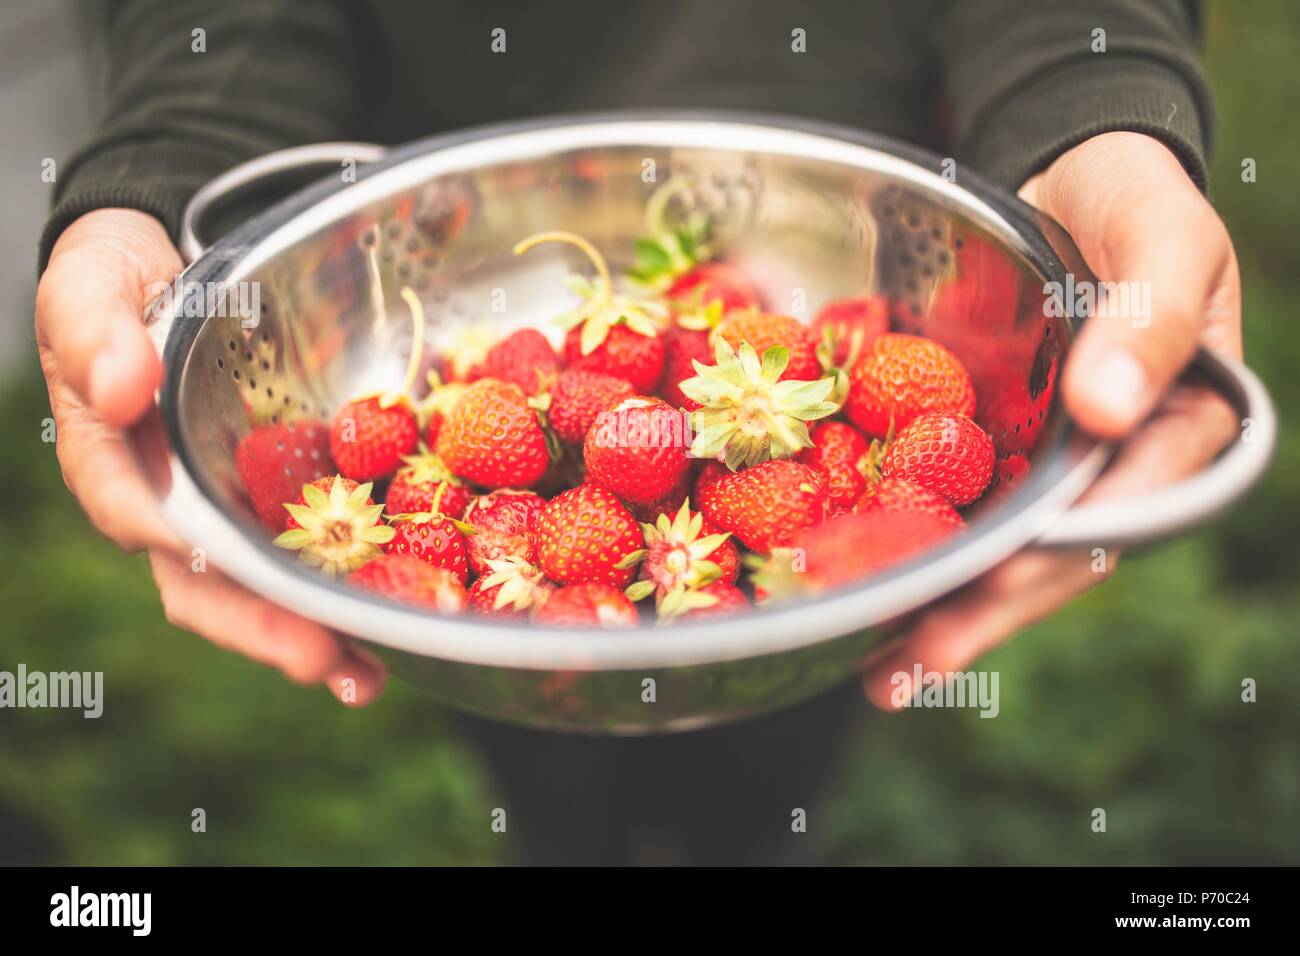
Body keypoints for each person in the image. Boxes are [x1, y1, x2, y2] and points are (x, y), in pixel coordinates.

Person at [35, 1, 1239, 864]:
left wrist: (1093, 113)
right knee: (539, 734)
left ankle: (748, 832)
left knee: (786, 724)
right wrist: (173, 164)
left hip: (856, 243)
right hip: (491, 598)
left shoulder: (822, 450)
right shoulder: (480, 497)